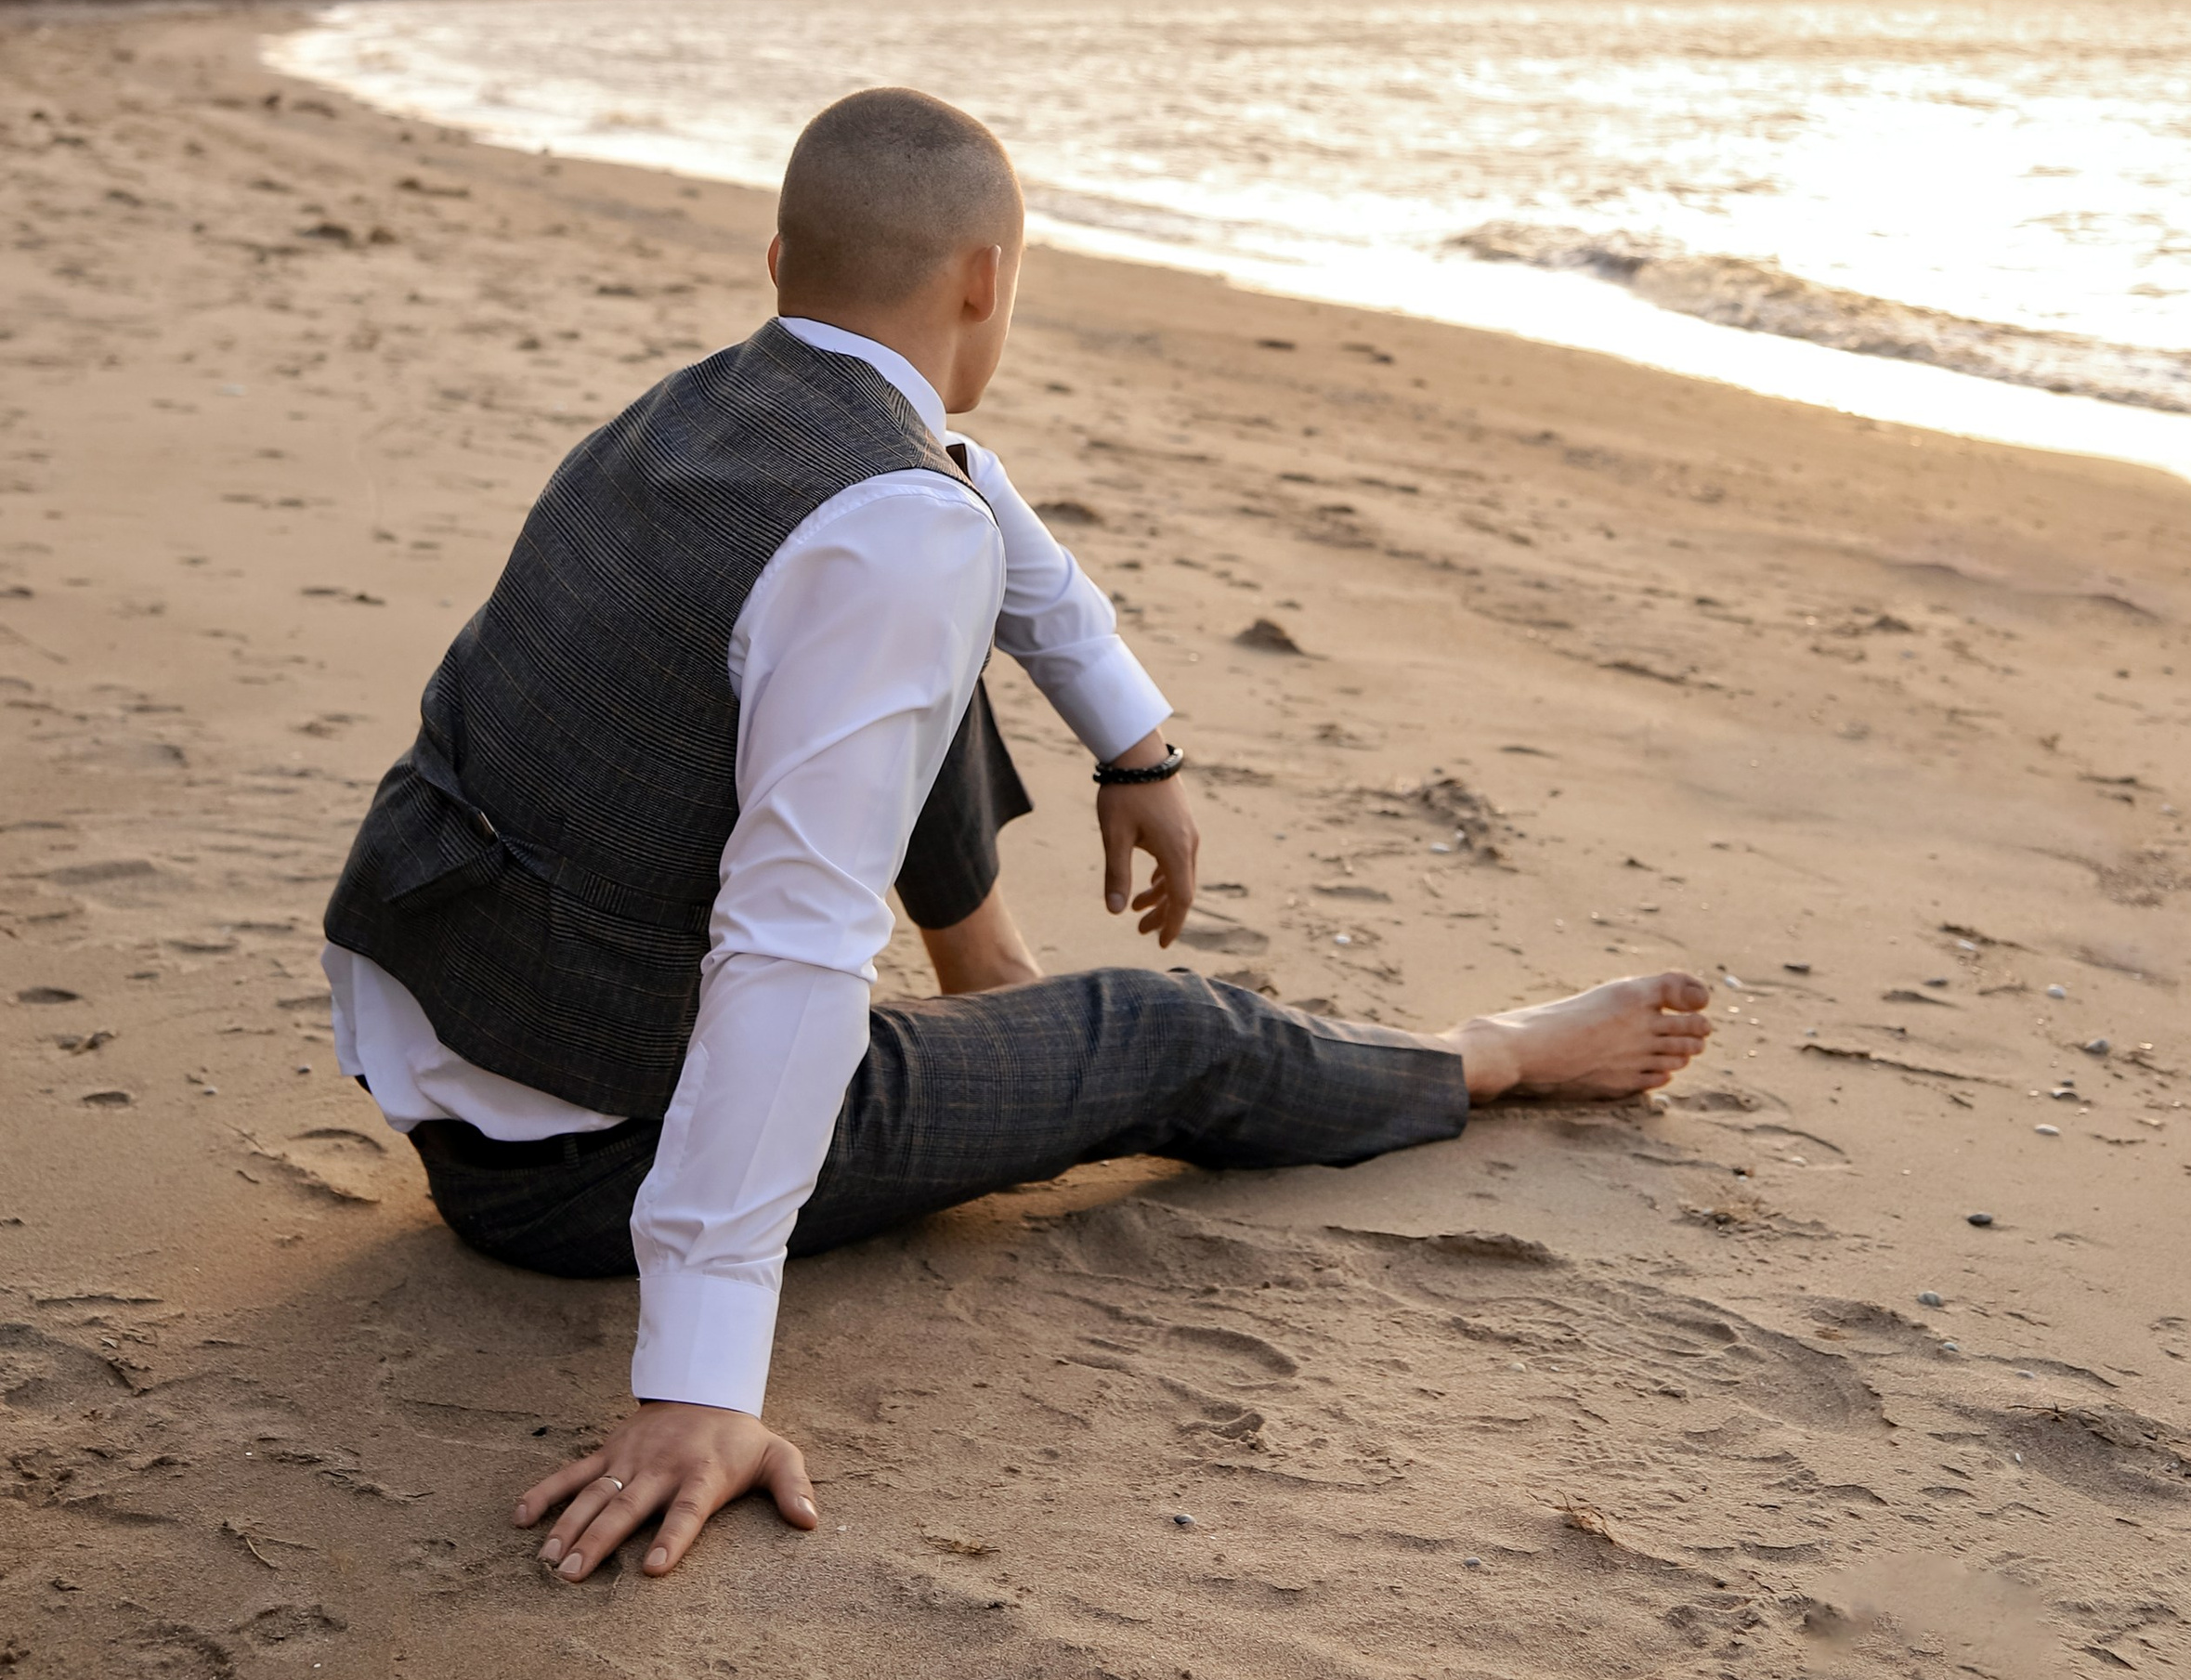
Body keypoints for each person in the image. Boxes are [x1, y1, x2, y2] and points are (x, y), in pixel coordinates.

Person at [322, 87, 1712, 1589]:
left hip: (458, 1032)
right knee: (1160, 1032)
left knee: (902, 621)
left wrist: (1134, 741)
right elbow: (789, 948)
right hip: (583, 1158)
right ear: (988, 281)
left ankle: (993, 987)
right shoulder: (885, 529)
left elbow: (976, 505)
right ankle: (1488, 1056)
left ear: (781, 259)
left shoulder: (720, 410)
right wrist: (698, 1391)